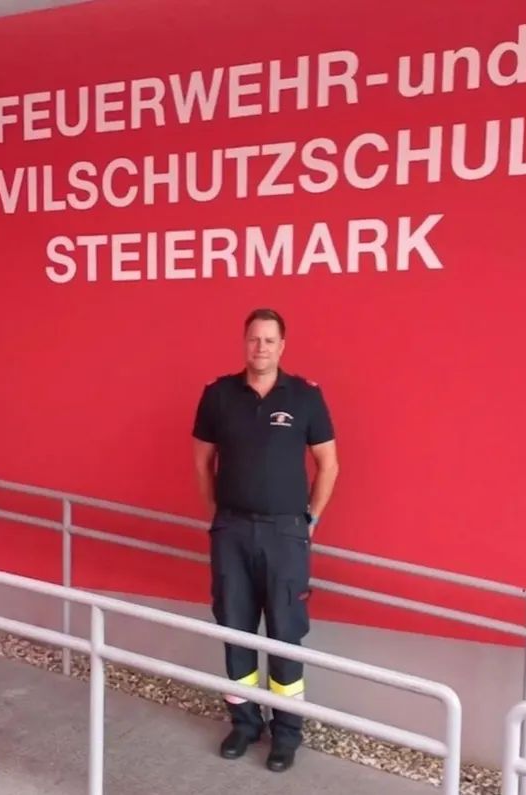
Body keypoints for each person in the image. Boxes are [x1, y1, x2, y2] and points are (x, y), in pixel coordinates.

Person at [191, 307, 339, 772]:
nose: (261, 348)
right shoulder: (218, 395)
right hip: (232, 531)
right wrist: (218, 516)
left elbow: (329, 464)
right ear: (244, 342)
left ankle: (286, 733)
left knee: (285, 632)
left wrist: (310, 519)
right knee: (234, 627)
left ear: (282, 346)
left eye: (270, 340)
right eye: (254, 339)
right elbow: (202, 463)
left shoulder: (305, 397)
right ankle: (244, 724)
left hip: (285, 533)